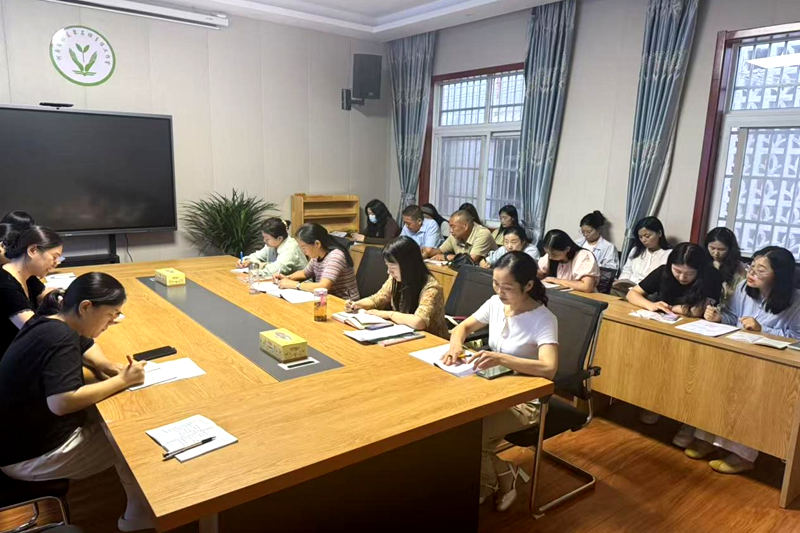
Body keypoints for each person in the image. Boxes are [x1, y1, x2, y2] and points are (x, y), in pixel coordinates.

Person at [0, 272, 152, 532]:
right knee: (133, 438)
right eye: (111, 314)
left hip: (12, 441)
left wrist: (105, 365)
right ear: (86, 307)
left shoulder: (51, 319)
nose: (112, 322)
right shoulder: (60, 338)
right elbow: (62, 402)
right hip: (29, 456)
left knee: (109, 413)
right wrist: (123, 380)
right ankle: (138, 514)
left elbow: (86, 343)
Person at [442, 252, 558, 511]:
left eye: (507, 287)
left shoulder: (543, 319)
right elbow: (462, 327)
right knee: (451, 425)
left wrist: (503, 359)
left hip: (526, 401)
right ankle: (493, 478)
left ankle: (499, 478)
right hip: (492, 387)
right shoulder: (496, 303)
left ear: (528, 285)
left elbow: (549, 368)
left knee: (473, 438)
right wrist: (455, 346)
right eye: (495, 283)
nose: (499, 291)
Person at [693, 246, 800, 473]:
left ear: (779, 276)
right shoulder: (743, 288)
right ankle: (707, 439)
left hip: (773, 364)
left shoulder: (796, 301)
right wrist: (719, 317)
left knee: (749, 396)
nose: (751, 273)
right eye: (752, 266)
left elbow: (797, 338)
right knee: (714, 383)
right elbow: (734, 317)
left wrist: (763, 330)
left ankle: (742, 456)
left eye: (761, 270)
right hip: (738, 352)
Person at [345, 237, 448, 338]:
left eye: (392, 267)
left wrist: (389, 315)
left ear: (408, 265)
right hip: (406, 334)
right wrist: (357, 304)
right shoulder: (395, 279)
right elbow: (378, 298)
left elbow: (418, 322)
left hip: (431, 340)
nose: (388, 271)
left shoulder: (431, 288)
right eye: (387, 266)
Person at [0, 226, 64, 358]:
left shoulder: (27, 275)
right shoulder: (6, 286)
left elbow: (48, 295)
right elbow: (35, 330)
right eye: (54, 257)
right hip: (10, 358)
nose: (56, 263)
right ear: (32, 250)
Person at [626, 242, 722, 318]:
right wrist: (651, 305)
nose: (682, 277)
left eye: (690, 273)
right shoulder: (663, 271)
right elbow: (632, 293)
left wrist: (669, 308)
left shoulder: (711, 276)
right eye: (677, 271)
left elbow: (696, 311)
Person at [274, 223, 360, 300]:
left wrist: (294, 285)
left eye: (304, 247)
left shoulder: (335, 256)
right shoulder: (317, 256)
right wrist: (287, 278)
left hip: (344, 303)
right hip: (326, 299)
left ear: (317, 244)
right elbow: (304, 273)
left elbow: (323, 287)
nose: (303, 251)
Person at [612, 216, 671, 297]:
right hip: (627, 289)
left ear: (659, 233)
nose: (643, 240)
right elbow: (627, 270)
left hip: (647, 293)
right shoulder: (636, 250)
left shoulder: (668, 254)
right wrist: (622, 282)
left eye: (647, 236)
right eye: (640, 237)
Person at [236, 218, 308, 277]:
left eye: (267, 239)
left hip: (299, 285)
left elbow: (274, 271)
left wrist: (260, 265)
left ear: (279, 238)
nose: (264, 241)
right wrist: (247, 261)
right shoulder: (272, 245)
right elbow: (256, 256)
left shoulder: (290, 249)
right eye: (264, 238)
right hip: (279, 282)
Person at [421, 210, 496, 264]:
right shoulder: (455, 235)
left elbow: (470, 260)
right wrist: (426, 253)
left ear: (465, 226)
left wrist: (446, 257)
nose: (450, 231)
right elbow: (440, 251)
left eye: (453, 227)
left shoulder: (483, 233)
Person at [705, 227, 745, 304]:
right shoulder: (703, 261)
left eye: (721, 249)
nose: (716, 253)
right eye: (712, 248)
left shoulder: (739, 267)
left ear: (730, 249)